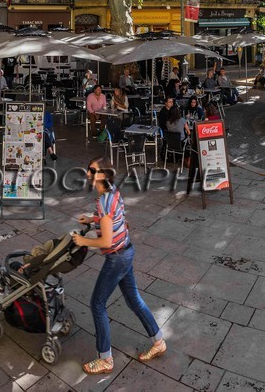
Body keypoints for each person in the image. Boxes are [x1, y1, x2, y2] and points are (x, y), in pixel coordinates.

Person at [73, 159, 164, 374]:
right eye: (88, 169)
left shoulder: (104, 201)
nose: (88, 173)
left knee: (97, 304)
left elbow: (106, 241)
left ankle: (105, 359)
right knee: (133, 300)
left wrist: (83, 241)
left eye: (92, 170)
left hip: (117, 257)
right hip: (126, 251)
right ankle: (159, 342)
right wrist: (92, 219)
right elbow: (113, 218)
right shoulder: (112, 191)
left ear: (103, 175)